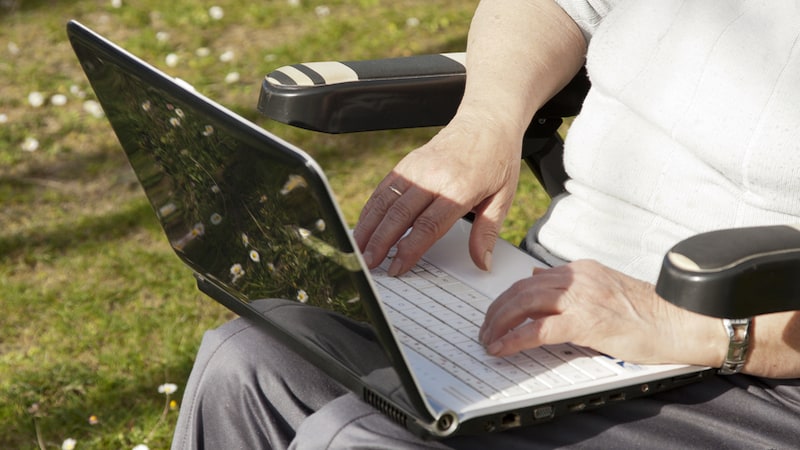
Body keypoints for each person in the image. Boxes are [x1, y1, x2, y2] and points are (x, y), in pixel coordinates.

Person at [171, 0, 800, 448]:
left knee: (357, 438)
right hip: (560, 285)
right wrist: (488, 119)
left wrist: (691, 326)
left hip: (749, 358)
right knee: (249, 365)